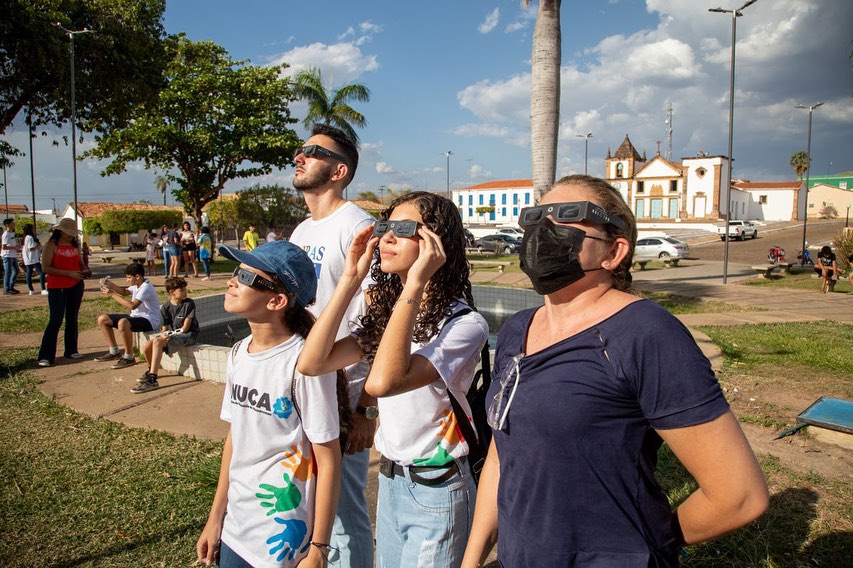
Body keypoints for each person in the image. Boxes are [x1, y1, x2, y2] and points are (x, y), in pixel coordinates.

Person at [462, 175, 769, 568]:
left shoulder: (645, 332)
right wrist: (472, 561)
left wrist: (645, 546)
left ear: (614, 251)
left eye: (566, 217)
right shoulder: (517, 329)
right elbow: (502, 457)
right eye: (535, 217)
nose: (542, 230)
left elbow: (739, 495)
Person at [298, 191, 488, 568]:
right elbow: (313, 361)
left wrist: (416, 283)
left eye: (403, 229)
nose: (385, 238)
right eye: (384, 227)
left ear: (437, 243)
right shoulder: (390, 315)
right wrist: (351, 279)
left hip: (439, 489)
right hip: (391, 480)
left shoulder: (465, 326)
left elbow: (382, 382)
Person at [196, 240, 342, 568]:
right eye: (236, 272)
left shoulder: (304, 364)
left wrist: (319, 547)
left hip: (281, 533)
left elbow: (329, 458)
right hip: (237, 523)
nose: (232, 281)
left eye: (247, 278)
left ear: (277, 300)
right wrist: (215, 517)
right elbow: (236, 438)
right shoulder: (238, 352)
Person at [288, 123, 377, 568]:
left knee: (344, 511)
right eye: (300, 150)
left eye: (313, 152)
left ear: (339, 170)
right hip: (305, 376)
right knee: (311, 496)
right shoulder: (301, 230)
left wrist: (366, 408)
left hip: (345, 389)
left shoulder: (359, 227)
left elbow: (379, 322)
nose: (299, 157)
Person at [36, 218, 87, 367]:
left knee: (72, 318)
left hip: (76, 285)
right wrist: (67, 273)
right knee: (56, 319)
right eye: (68, 233)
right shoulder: (51, 246)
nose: (70, 236)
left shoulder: (74, 245)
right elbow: (46, 268)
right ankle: (46, 355)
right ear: (61, 231)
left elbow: (80, 263)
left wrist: (84, 270)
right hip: (57, 287)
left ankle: (71, 349)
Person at [135, 276, 199, 393]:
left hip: (188, 335)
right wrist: (163, 334)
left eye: (185, 289)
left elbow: (184, 329)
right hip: (174, 335)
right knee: (147, 345)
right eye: (182, 290)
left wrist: (168, 336)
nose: (185, 292)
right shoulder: (165, 307)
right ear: (171, 292)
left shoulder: (189, 303)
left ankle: (152, 380)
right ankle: (151, 371)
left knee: (158, 342)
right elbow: (164, 328)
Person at [94, 263, 161, 369]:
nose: (127, 280)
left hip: (149, 320)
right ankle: (114, 351)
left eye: (129, 278)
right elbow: (124, 292)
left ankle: (129, 357)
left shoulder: (146, 287)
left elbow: (132, 305)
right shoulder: (137, 284)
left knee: (123, 322)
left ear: (137, 277)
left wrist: (112, 294)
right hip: (135, 317)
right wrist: (110, 284)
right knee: (103, 319)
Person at [22, 223, 47, 295]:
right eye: (33, 228)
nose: (34, 229)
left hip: (28, 258)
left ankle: (31, 290)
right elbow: (31, 248)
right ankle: (43, 289)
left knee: (29, 274)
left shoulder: (25, 237)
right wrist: (37, 245)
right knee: (42, 272)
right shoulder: (29, 237)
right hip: (32, 258)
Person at [2, 218, 21, 295]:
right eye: (12, 223)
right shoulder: (6, 234)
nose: (14, 225)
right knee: (8, 272)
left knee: (16, 270)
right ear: (7, 225)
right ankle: (6, 289)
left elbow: (11, 244)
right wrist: (14, 248)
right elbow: (4, 247)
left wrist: (17, 246)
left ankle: (11, 286)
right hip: (7, 255)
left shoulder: (12, 233)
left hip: (12, 255)